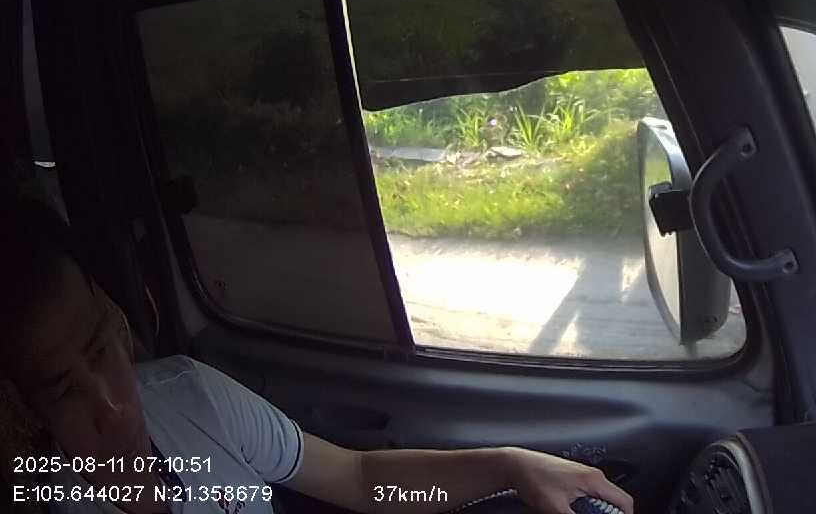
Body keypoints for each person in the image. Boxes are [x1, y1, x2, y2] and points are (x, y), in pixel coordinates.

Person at [0, 198, 633, 514]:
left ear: (116, 319)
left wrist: (510, 466)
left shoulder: (189, 396)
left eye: (99, 348)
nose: (111, 407)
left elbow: (358, 479)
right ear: (19, 408)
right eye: (61, 388)